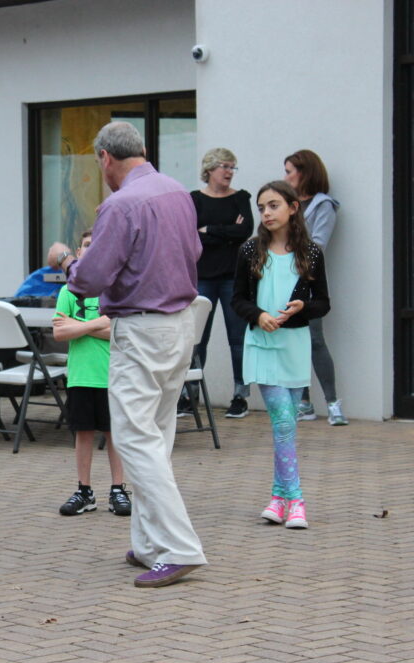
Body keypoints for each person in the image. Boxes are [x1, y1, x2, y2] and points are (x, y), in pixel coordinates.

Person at [48, 121, 207, 588]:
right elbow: (194, 250)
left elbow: (89, 279)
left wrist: (64, 260)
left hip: (140, 327)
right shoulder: (177, 191)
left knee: (137, 439)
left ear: (105, 158)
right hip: (180, 323)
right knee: (156, 434)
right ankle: (150, 543)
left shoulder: (120, 205)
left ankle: (179, 547)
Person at [232, 181, 329, 529]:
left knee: (284, 427)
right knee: (284, 423)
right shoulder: (249, 251)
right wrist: (258, 315)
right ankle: (297, 502)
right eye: (262, 207)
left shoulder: (311, 253)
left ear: (293, 208)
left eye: (273, 205)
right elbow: (238, 299)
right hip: (262, 346)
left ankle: (277, 497)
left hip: (294, 345)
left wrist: (303, 306)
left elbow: (323, 303)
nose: (267, 213)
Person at [52, 231, 131, 518]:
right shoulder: (68, 292)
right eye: (86, 245)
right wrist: (98, 324)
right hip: (81, 376)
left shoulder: (116, 290)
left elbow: (119, 333)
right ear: (78, 251)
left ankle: (118, 489)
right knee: (83, 433)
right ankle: (84, 490)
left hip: (112, 375)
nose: (91, 250)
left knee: (115, 434)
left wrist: (80, 325)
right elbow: (60, 331)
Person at [184, 148, 253, 419]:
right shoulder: (195, 200)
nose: (228, 171)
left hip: (233, 278)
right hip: (202, 278)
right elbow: (192, 234)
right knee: (197, 340)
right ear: (209, 169)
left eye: (232, 167)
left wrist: (210, 229)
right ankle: (190, 397)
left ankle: (240, 396)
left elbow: (245, 231)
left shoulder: (241, 198)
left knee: (238, 339)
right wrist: (227, 234)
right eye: (224, 166)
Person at [284, 149, 348, 426]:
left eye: (289, 171)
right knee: (292, 343)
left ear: (305, 172)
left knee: (315, 340)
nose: (285, 177)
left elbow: (318, 244)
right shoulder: (287, 202)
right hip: (281, 280)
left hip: (307, 282)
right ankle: (304, 403)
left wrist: (286, 250)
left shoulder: (323, 205)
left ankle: (333, 404)